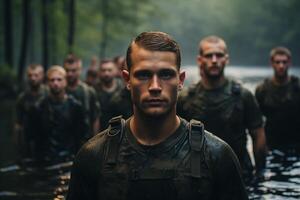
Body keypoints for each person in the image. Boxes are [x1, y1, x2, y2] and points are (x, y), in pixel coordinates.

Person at [67, 31, 248, 200]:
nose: (155, 86)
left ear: (181, 80)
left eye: (166, 74)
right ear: (127, 80)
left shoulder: (217, 156)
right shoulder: (93, 156)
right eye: (144, 75)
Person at [178, 35, 267, 175]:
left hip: (239, 173)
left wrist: (261, 176)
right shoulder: (185, 99)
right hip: (200, 175)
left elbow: (258, 135)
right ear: (199, 60)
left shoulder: (243, 96)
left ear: (226, 59)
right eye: (209, 56)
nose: (214, 60)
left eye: (219, 55)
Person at [33, 66, 88, 162]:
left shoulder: (75, 106)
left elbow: (81, 136)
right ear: (47, 83)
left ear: (65, 82)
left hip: (70, 157)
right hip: (46, 159)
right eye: (52, 80)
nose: (55, 83)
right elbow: (35, 137)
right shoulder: (39, 107)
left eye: (59, 80)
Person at [255, 47, 300, 150]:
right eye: (278, 62)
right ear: (271, 63)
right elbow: (256, 122)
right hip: (271, 144)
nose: (281, 66)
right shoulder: (262, 90)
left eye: (284, 62)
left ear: (289, 63)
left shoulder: (297, 87)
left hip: (296, 144)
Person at [15, 64, 47, 159]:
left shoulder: (49, 93)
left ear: (42, 76)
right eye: (30, 75)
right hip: (29, 138)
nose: (33, 78)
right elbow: (18, 124)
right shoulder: (22, 98)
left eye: (36, 75)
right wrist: (18, 146)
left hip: (48, 138)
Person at [63, 54, 101, 136]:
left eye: (73, 71)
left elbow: (95, 118)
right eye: (67, 70)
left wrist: (95, 141)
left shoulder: (88, 91)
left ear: (79, 70)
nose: (70, 74)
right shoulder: (60, 91)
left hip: (84, 138)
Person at [95, 59, 123, 130]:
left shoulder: (123, 89)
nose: (106, 73)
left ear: (115, 71)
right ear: (99, 72)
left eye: (109, 70)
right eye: (103, 70)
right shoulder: (94, 90)